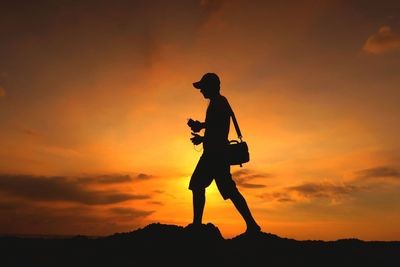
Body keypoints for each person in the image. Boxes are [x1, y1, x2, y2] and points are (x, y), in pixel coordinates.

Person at [188, 72, 261, 234]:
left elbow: (217, 130)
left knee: (197, 185)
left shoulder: (218, 103)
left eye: (203, 87)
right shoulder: (219, 102)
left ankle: (197, 225)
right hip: (218, 154)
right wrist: (202, 131)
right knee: (230, 191)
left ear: (211, 87)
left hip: (214, 155)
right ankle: (252, 225)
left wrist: (202, 131)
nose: (201, 91)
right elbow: (216, 127)